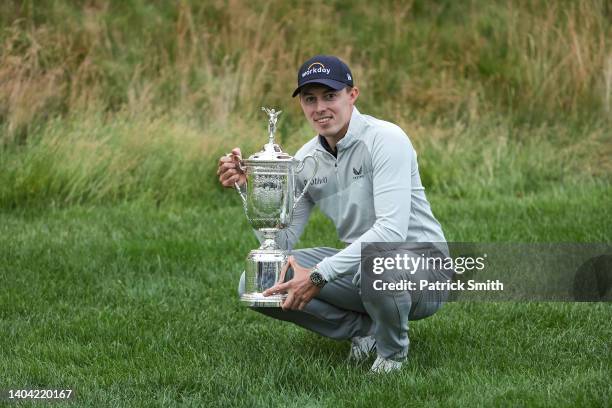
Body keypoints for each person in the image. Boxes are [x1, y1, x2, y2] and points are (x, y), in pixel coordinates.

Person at [217, 55, 453, 373]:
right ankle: (365, 331)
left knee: (376, 262)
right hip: (361, 268)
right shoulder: (306, 160)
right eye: (310, 99)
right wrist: (257, 190)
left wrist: (319, 275)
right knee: (257, 280)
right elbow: (281, 241)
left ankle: (392, 354)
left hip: (424, 269)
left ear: (352, 95)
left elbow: (391, 233)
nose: (320, 108)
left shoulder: (386, 139)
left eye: (330, 96)